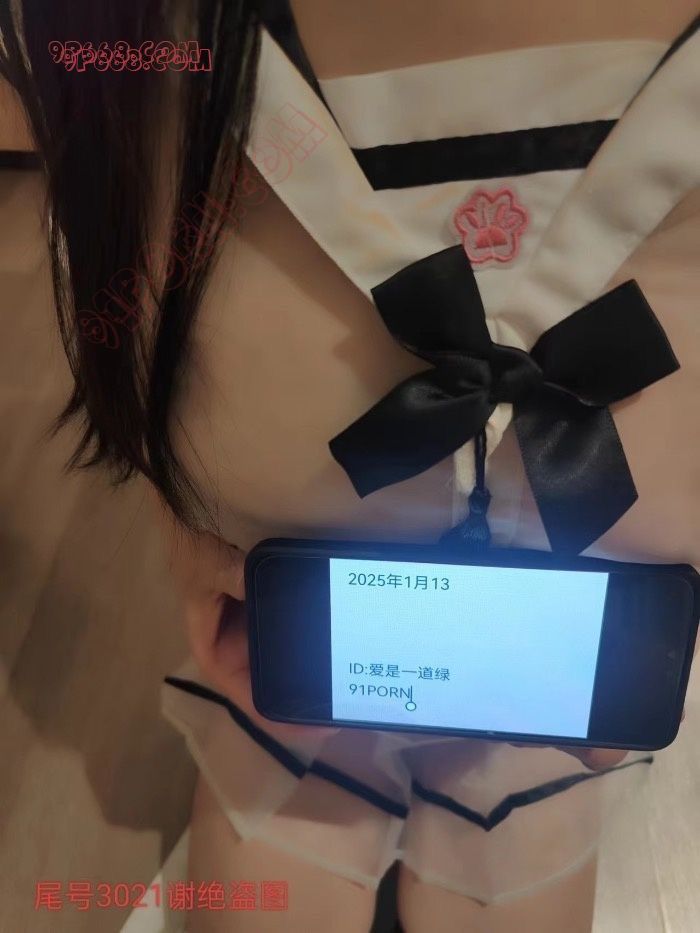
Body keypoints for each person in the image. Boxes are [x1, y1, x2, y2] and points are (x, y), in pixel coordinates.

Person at [2, 1, 698, 929]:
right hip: (312, 629)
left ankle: (500, 766)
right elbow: (108, 223)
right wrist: (185, 512)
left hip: (556, 652)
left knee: (504, 838)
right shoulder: (139, 43)